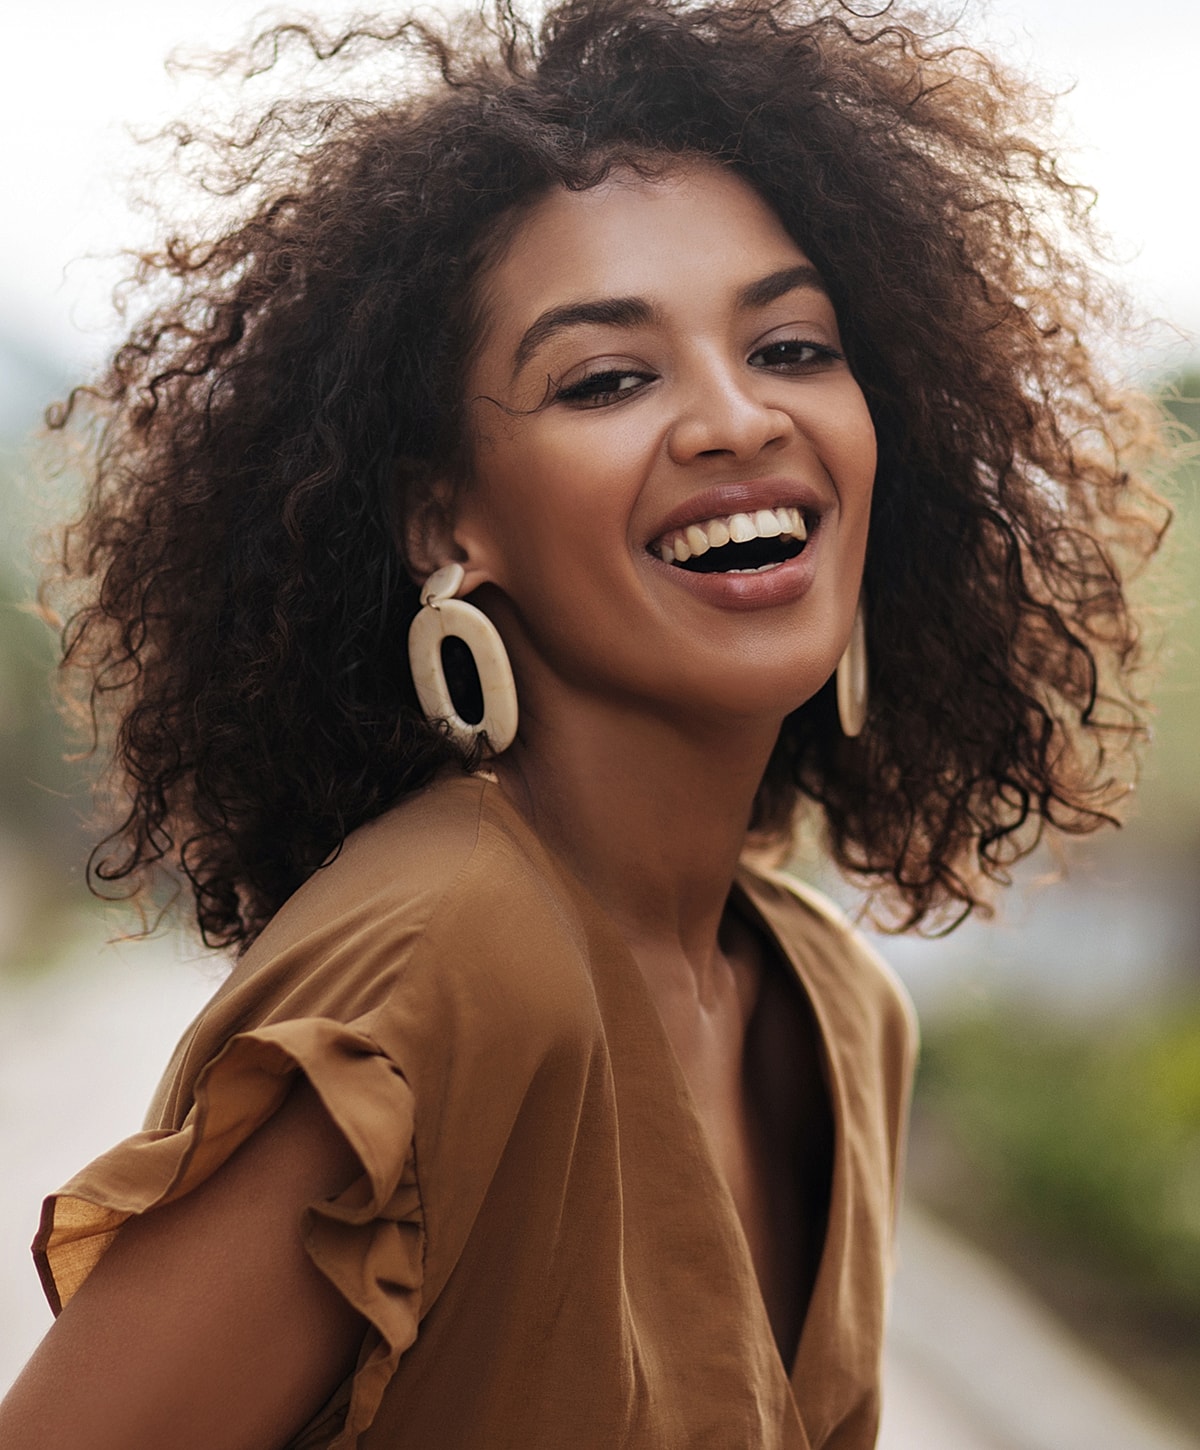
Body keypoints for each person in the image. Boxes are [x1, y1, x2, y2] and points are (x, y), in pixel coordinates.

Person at [0, 0, 1166, 1445]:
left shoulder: (837, 1009)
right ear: (448, 521)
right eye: (608, 378)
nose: (737, 419)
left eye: (793, 346)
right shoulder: (442, 968)